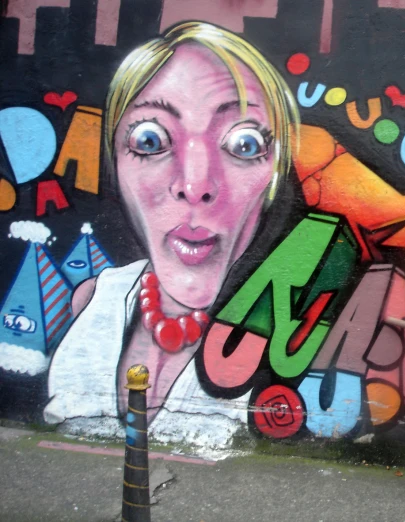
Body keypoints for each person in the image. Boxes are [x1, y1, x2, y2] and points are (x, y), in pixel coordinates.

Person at [44, 22, 299, 446]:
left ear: (275, 173)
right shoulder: (96, 301)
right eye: (150, 139)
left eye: (245, 144)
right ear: (117, 162)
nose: (195, 184)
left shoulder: (294, 334)